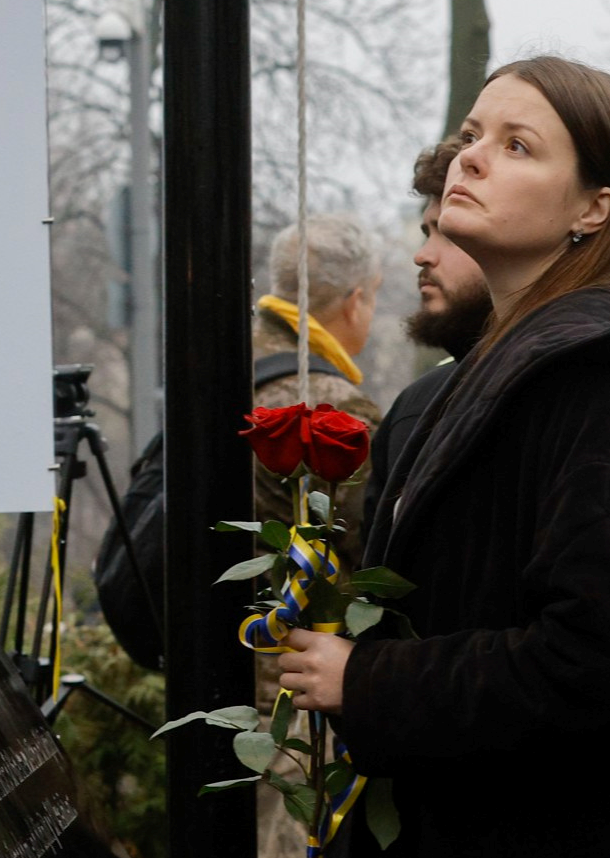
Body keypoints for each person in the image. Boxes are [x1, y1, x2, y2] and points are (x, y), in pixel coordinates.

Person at [277, 56, 610, 857]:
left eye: (518, 145)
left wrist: (370, 680)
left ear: (593, 207)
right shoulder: (502, 367)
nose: (471, 159)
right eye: (472, 135)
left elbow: (607, 662)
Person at [252, 214, 384, 858]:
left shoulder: (220, 368)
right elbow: (371, 547)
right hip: (291, 692)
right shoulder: (333, 408)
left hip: (208, 676)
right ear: (355, 300)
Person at [361, 137, 492, 545]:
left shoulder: (581, 393)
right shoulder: (413, 409)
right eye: (427, 232)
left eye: (449, 234)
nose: (422, 256)